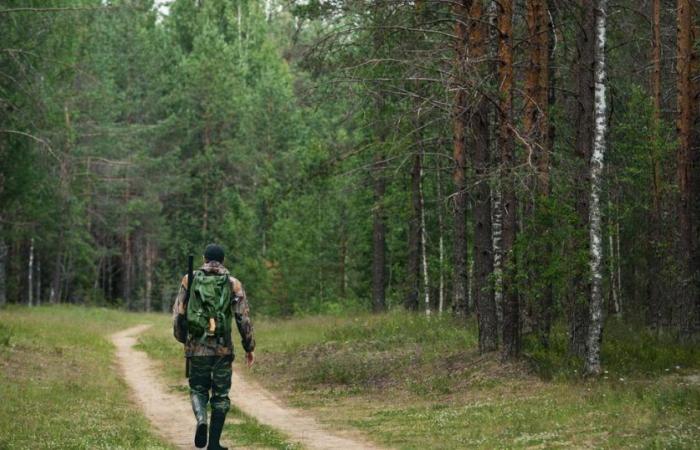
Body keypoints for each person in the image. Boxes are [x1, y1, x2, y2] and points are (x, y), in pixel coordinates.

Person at [172, 244, 255, 450]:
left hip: (196, 346)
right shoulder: (232, 283)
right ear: (223, 260)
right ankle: (214, 443)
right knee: (221, 395)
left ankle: (201, 419)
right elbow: (242, 318)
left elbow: (179, 313)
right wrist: (249, 346)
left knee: (197, 389)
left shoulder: (189, 279)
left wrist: (183, 339)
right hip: (222, 348)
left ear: (204, 258)